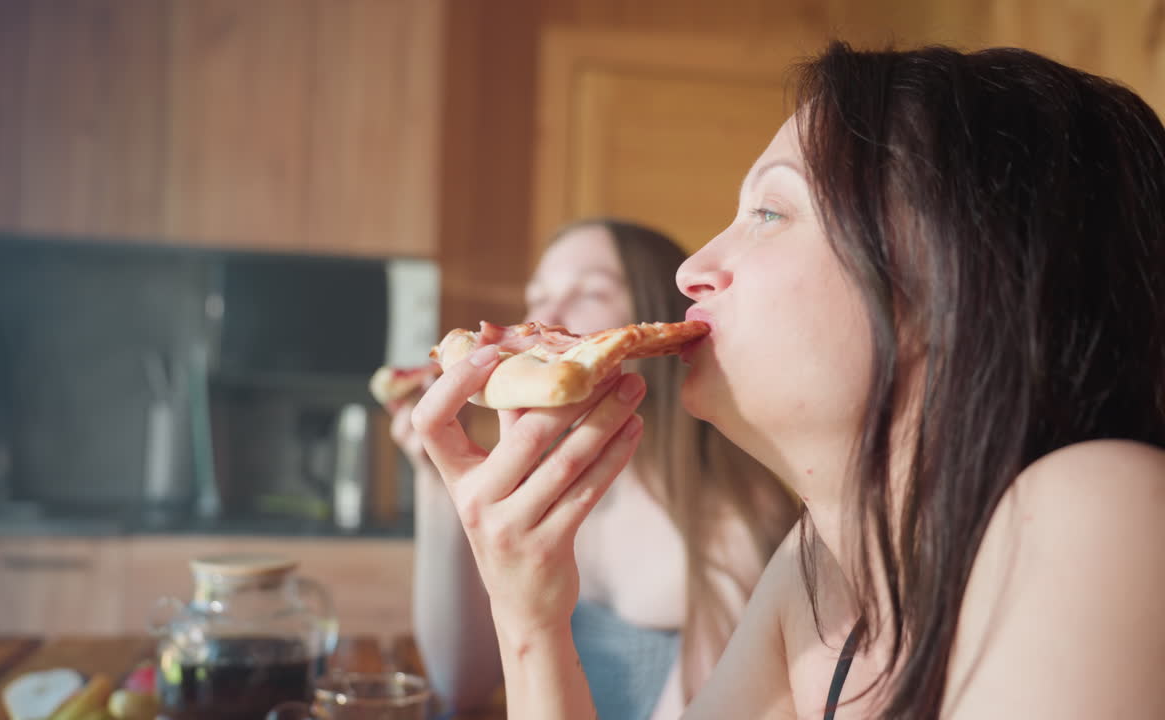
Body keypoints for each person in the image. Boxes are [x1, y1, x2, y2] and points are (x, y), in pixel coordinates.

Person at [410, 42, 1165, 719]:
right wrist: (530, 618)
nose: (691, 270)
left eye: (769, 211)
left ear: (959, 283)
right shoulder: (815, 574)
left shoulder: (1104, 504)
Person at [391, 219, 799, 720]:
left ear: (661, 326)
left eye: (589, 293)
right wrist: (437, 487)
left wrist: (534, 624)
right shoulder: (542, 489)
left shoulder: (734, 526)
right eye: (536, 295)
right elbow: (461, 685)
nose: (548, 318)